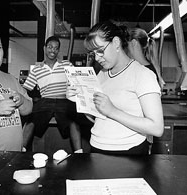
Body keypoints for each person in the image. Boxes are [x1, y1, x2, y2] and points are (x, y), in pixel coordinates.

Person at [67, 21, 164, 155]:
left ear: (116, 43)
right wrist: (80, 100)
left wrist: (112, 111)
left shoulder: (143, 75)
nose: (97, 58)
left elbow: (157, 128)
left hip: (128, 153)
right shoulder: (102, 74)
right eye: (93, 53)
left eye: (100, 51)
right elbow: (97, 117)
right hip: (96, 149)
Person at [22, 36, 82, 153]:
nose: (52, 50)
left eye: (56, 48)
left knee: (73, 120)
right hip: (46, 101)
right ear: (44, 48)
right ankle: (21, 150)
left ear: (58, 51)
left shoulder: (67, 65)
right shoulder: (36, 69)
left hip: (64, 100)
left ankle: (79, 153)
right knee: (31, 118)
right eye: (50, 47)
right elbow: (25, 89)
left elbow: (78, 81)